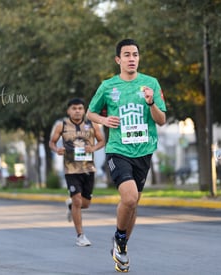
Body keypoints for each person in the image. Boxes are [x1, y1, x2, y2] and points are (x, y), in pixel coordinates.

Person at [86, 38, 167, 272]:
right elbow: (91, 112)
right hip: (118, 150)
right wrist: (104, 120)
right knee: (129, 197)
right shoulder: (108, 86)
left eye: (135, 54)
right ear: (118, 60)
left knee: (133, 204)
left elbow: (161, 120)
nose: (132, 59)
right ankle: (120, 238)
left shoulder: (150, 83)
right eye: (127, 55)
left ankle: (121, 246)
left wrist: (151, 102)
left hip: (144, 151)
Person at [49, 98, 105, 247]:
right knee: (77, 200)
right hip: (71, 169)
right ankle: (80, 235)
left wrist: (93, 148)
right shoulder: (62, 126)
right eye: (74, 108)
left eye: (80, 108)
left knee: (85, 204)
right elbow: (52, 142)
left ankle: (71, 206)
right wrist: (57, 149)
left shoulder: (92, 124)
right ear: (68, 111)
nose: (77, 111)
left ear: (84, 110)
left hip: (88, 169)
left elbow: (101, 141)